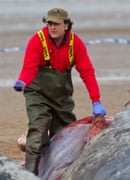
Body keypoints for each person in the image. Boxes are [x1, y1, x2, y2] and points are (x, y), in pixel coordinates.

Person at [13, 8, 107, 175]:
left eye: (56, 23)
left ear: (66, 25)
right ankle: (29, 176)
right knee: (38, 130)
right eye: (49, 23)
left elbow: (87, 72)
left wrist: (96, 101)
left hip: (61, 97)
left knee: (67, 135)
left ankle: (63, 172)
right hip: (37, 94)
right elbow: (29, 67)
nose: (52, 27)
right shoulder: (37, 41)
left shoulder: (75, 43)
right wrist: (22, 81)